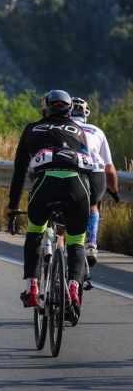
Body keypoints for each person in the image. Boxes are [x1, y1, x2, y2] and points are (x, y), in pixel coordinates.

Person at [6, 90, 94, 314]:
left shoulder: (32, 128)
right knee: (76, 240)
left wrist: (13, 206)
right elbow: (89, 171)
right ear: (68, 109)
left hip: (44, 184)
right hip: (77, 188)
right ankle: (73, 287)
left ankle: (32, 288)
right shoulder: (79, 130)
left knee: (35, 233)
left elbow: (20, 172)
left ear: (45, 108)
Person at [70, 98, 119, 266]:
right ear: (86, 114)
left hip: (69, 170)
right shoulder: (96, 131)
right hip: (95, 172)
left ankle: (59, 243)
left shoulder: (61, 127)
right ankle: (92, 244)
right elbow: (110, 170)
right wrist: (115, 190)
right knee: (93, 204)